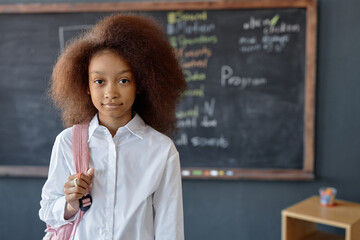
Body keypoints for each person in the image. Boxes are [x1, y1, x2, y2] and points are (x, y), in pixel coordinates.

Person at [39, 14, 186, 240]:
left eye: (123, 80)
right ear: (85, 85)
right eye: (99, 81)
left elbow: (170, 229)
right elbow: (47, 211)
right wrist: (70, 203)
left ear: (141, 84)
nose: (111, 93)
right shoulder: (67, 142)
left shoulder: (161, 150)